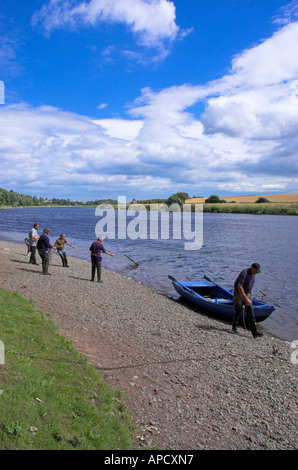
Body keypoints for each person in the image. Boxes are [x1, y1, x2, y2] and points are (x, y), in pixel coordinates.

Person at [232, 263, 263, 338]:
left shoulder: (253, 274)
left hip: (247, 293)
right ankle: (234, 327)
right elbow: (239, 286)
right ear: (252, 268)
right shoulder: (244, 273)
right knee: (238, 311)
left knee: (250, 312)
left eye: (257, 271)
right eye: (256, 271)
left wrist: (248, 297)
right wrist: (246, 299)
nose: (256, 273)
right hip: (239, 294)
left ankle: (254, 332)